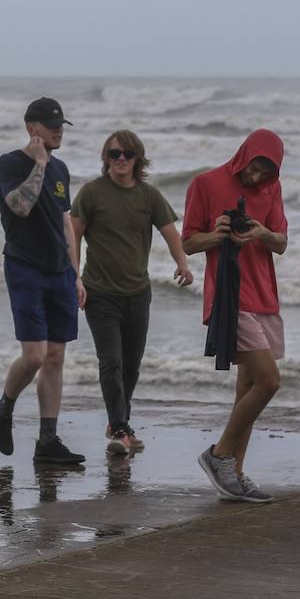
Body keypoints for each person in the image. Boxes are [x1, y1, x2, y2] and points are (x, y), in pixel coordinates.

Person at [71, 130, 193, 456]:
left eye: (126, 153)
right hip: (99, 293)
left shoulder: (148, 196)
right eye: (114, 154)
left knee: (131, 366)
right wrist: (75, 278)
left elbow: (171, 232)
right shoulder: (92, 193)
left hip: (138, 292)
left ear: (137, 158)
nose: (120, 159)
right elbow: (73, 236)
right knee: (110, 362)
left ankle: (118, 422)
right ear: (106, 159)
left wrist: (182, 263)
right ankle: (121, 429)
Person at [182, 129, 288, 502]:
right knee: (268, 381)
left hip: (265, 297)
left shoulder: (271, 189)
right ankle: (220, 454)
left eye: (264, 171)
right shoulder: (206, 183)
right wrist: (218, 234)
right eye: (253, 168)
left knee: (247, 387)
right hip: (229, 297)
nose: (256, 177)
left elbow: (282, 242)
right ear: (243, 155)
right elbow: (189, 242)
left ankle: (236, 474)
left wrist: (260, 233)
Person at [0, 97, 86, 464]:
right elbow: (19, 206)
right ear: (32, 128)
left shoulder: (62, 169)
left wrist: (76, 273)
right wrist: (40, 165)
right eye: (50, 124)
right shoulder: (10, 163)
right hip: (24, 266)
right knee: (34, 356)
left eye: (61, 123)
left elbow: (66, 223)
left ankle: (47, 440)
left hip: (59, 271)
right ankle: (4, 407)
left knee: (56, 356)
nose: (59, 129)